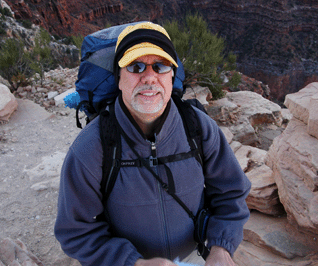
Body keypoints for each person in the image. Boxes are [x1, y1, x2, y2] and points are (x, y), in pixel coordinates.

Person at [54, 22, 251, 266]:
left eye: (160, 66)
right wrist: (134, 263)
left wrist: (221, 247)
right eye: (135, 67)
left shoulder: (198, 128)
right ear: (119, 78)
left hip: (196, 257)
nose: (150, 77)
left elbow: (231, 193)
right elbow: (75, 231)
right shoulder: (92, 148)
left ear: (171, 76)